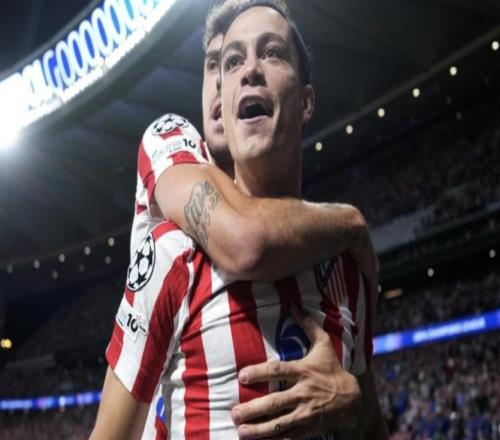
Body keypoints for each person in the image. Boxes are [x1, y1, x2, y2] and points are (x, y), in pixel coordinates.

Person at [90, 1, 382, 439]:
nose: (248, 71)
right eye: (226, 63)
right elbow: (248, 242)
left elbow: (370, 424)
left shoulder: (344, 266)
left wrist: (353, 406)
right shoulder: (173, 247)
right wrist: (354, 222)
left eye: (272, 53)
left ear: (306, 102)